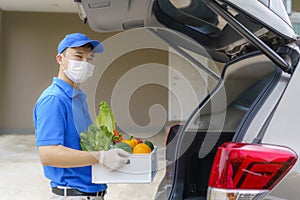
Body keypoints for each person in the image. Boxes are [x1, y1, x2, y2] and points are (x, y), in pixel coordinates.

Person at [33, 33, 130, 200]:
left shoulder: (77, 98)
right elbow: (48, 154)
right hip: (72, 195)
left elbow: (81, 146)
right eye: (78, 56)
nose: (85, 63)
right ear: (60, 59)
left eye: (90, 58)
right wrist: (102, 157)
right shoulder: (54, 99)